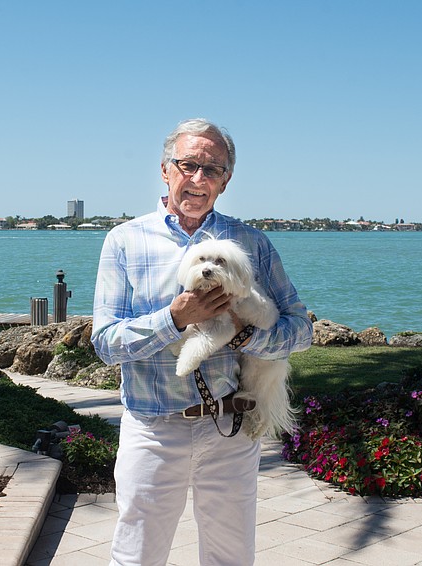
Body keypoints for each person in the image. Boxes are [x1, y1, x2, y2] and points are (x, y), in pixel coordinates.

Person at [91, 118, 312, 566]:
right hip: (152, 428)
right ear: (164, 169)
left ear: (226, 181)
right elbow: (105, 342)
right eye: (188, 165)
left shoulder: (252, 243)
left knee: (231, 558)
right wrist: (174, 319)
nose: (198, 179)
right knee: (136, 556)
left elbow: (301, 331)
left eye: (212, 170)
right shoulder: (124, 241)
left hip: (230, 430)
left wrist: (245, 333)